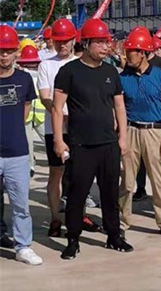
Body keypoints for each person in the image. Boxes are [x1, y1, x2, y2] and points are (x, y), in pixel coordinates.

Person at [53, 18, 133, 259]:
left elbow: (119, 106)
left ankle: (114, 235)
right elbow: (57, 109)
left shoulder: (111, 72)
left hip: (108, 143)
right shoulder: (69, 72)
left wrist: (123, 137)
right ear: (86, 44)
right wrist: (59, 140)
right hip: (81, 144)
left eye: (106, 42)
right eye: (99, 42)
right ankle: (73, 239)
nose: (105, 47)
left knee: (110, 193)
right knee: (77, 194)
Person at [38, 19, 100, 237]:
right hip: (55, 129)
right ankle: (56, 218)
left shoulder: (83, 63)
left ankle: (80, 215)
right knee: (56, 173)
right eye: (58, 41)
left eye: (65, 41)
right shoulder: (46, 65)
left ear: (74, 40)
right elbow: (45, 96)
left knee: (81, 174)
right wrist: (59, 113)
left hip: (79, 128)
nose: (62, 45)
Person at [118, 27, 161, 240]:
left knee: (157, 178)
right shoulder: (122, 78)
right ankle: (122, 221)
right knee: (127, 180)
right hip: (131, 130)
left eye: (132, 51)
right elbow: (117, 107)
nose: (128, 55)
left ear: (143, 52)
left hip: (155, 131)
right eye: (127, 51)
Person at [0, 25, 43, 265]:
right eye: (0, 51)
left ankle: (23, 246)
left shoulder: (24, 79)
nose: (4, 55)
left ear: (16, 52)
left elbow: (25, 110)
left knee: (20, 204)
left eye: (8, 51)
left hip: (16, 152)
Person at [16, 45, 44, 177]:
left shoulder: (39, 75)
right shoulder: (22, 77)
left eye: (33, 64)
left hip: (39, 115)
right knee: (27, 143)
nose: (31, 67)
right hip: (28, 115)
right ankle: (29, 166)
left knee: (48, 141)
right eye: (28, 64)